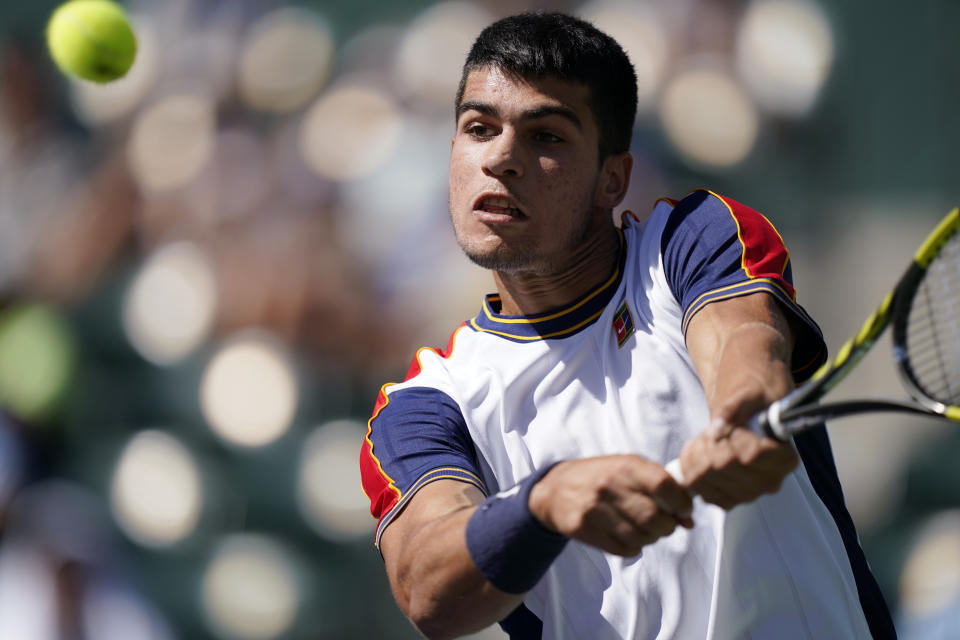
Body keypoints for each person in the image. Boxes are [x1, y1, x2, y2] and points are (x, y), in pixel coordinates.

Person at [359, 12, 895, 640]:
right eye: (479, 128)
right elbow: (427, 589)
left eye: (547, 137)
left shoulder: (692, 239)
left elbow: (745, 345)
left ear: (612, 179)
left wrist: (743, 415)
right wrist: (543, 505)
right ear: (453, 152)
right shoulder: (422, 405)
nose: (502, 157)